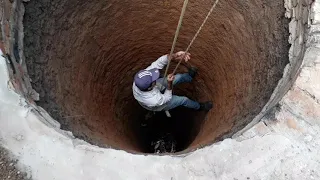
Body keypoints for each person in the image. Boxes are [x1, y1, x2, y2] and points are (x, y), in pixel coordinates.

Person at [132, 51, 213, 112]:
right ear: (150, 86)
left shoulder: (140, 79)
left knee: (178, 77)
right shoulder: (154, 100)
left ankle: (189, 77)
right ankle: (200, 107)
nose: (155, 77)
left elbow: (159, 62)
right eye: (153, 79)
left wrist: (175, 56)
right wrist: (169, 83)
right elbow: (167, 97)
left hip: (154, 90)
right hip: (160, 104)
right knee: (183, 100)